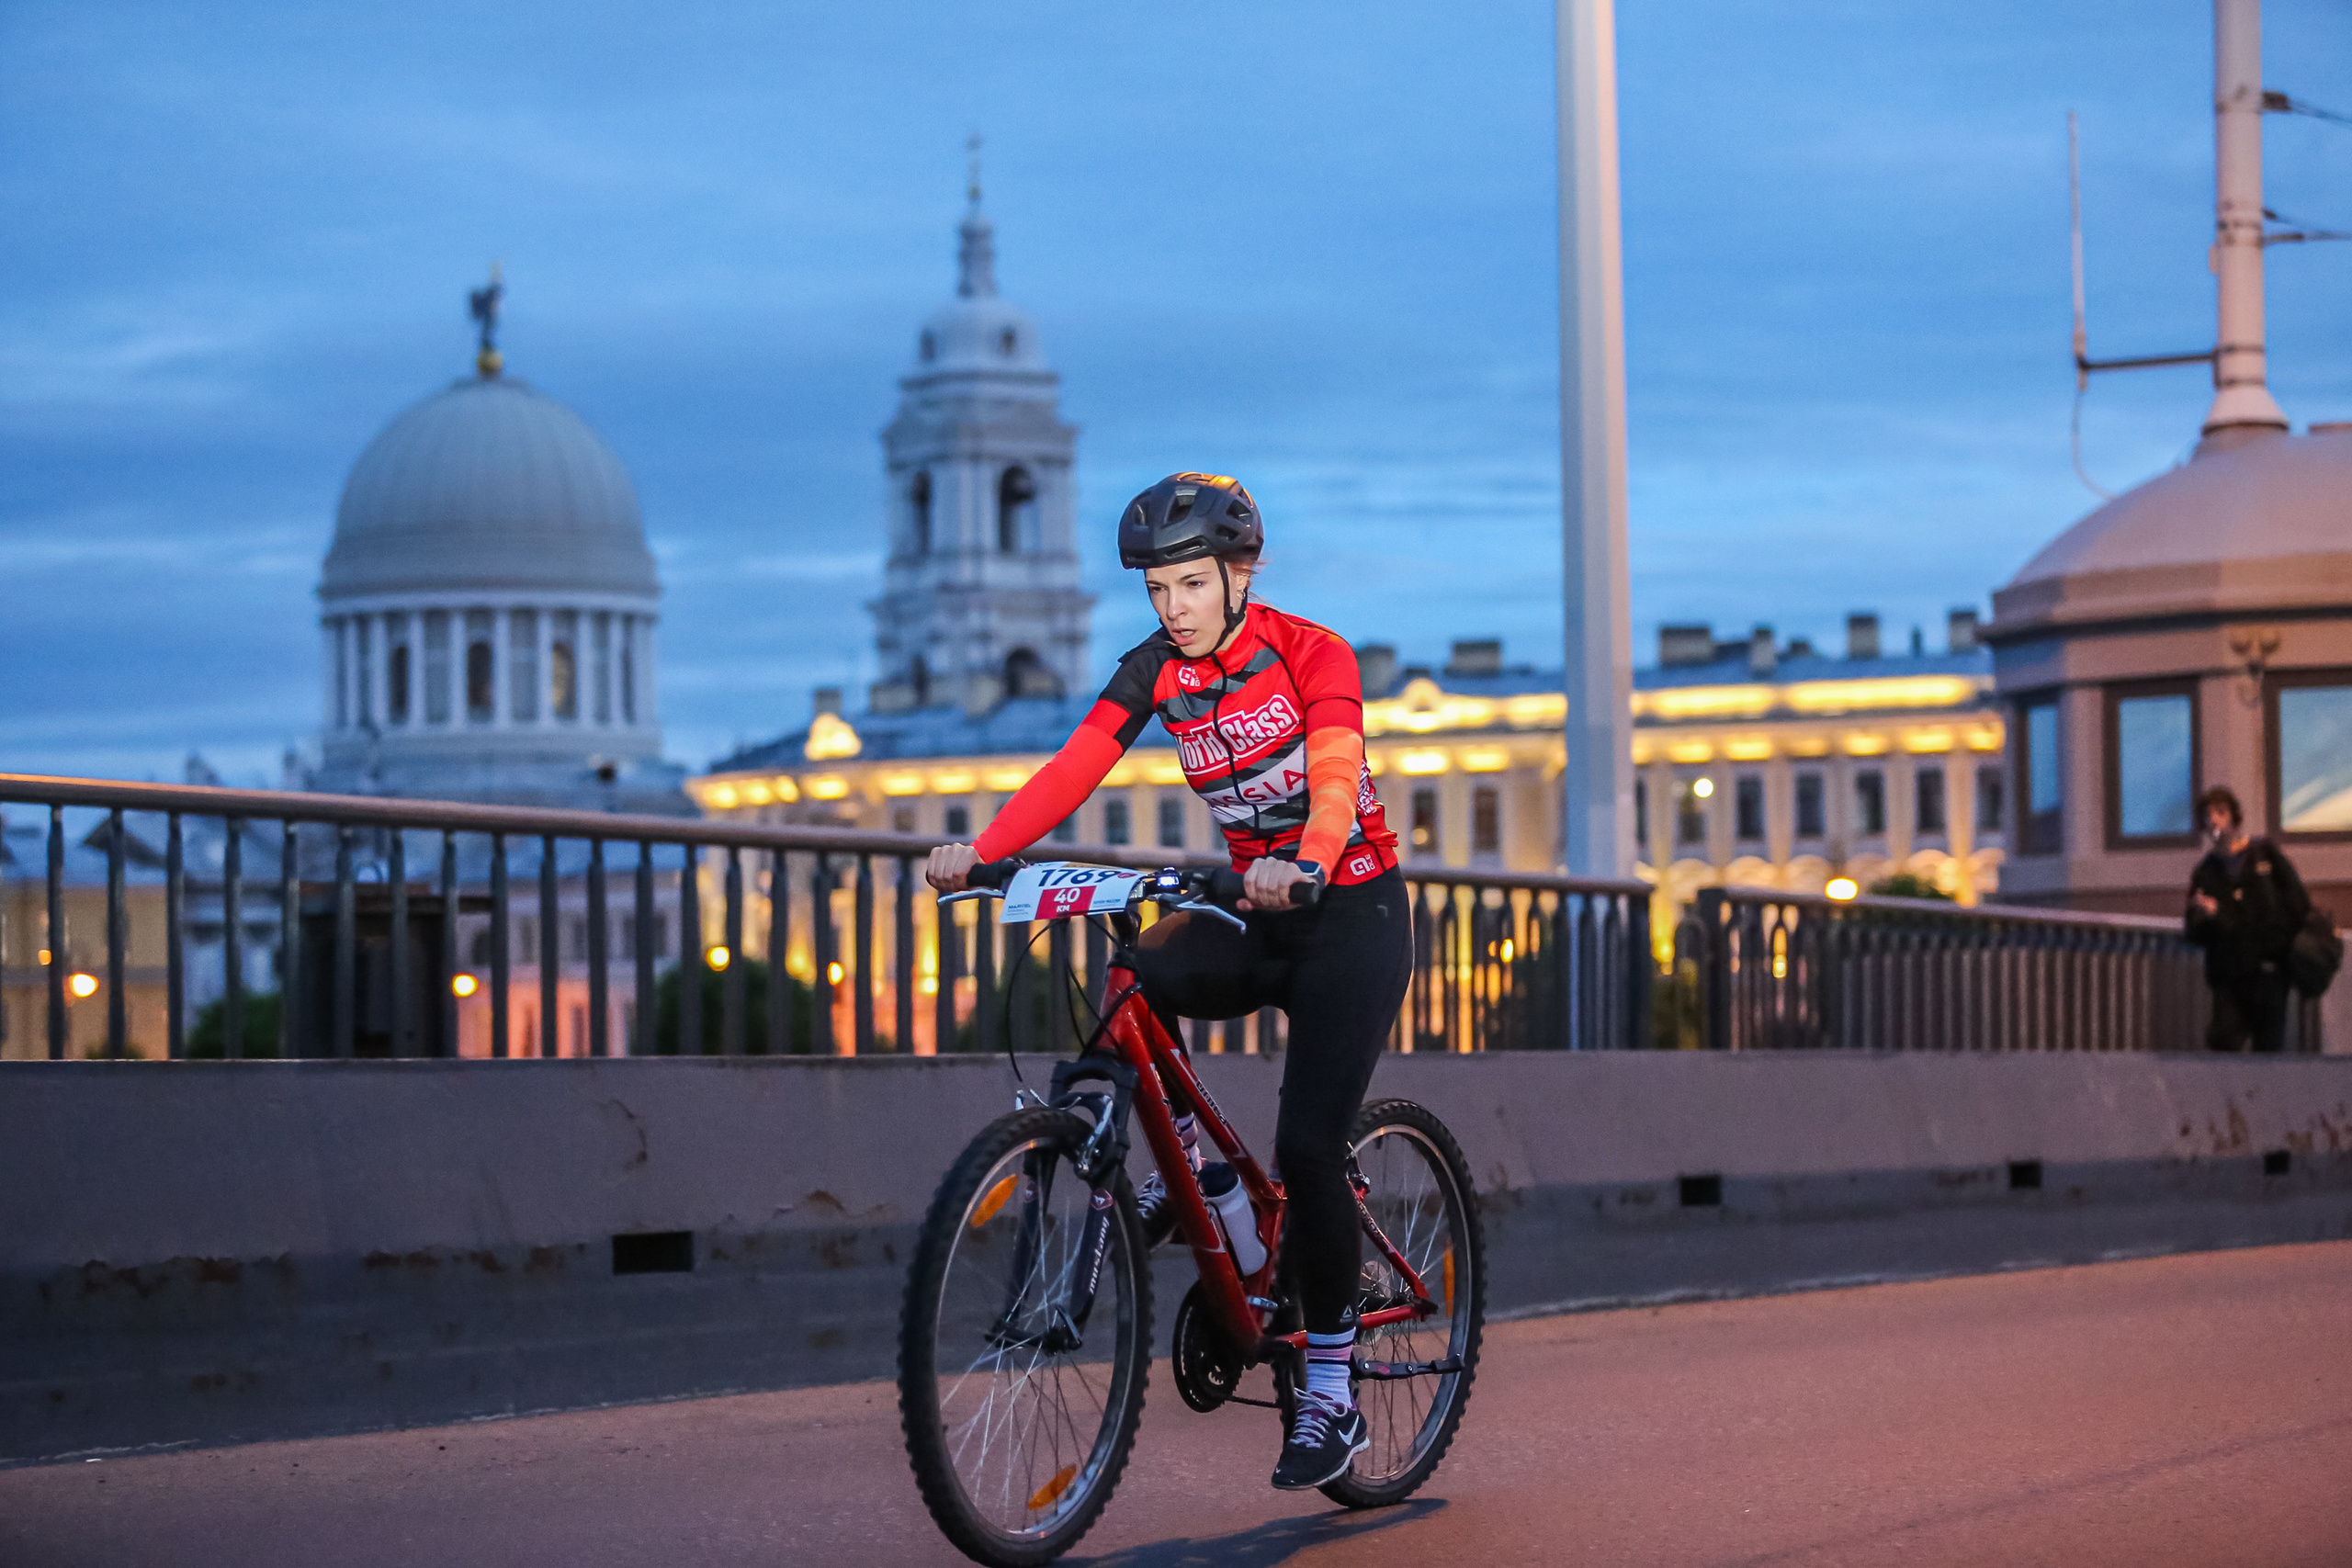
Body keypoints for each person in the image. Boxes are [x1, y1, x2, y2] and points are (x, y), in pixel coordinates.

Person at [925, 471, 1409, 1491]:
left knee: (1310, 1147)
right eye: (1157, 591)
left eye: (1191, 584)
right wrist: (984, 849)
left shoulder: (1311, 653)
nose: (1173, 608)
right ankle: (1203, 1176)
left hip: (1345, 913)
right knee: (1133, 974)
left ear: (1240, 574)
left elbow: (1332, 778)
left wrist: (1311, 860)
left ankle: (1329, 1392)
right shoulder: (1158, 670)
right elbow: (1075, 763)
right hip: (1249, 907)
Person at [2185, 785, 2309, 1053]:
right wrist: (2206, 916)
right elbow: (2193, 933)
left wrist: (2276, 943)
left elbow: (2297, 903)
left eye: (2220, 812)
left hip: (2269, 971)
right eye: (2208, 815)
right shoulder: (2206, 872)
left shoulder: (2263, 854)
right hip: (2229, 976)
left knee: (2268, 1050)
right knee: (2224, 1040)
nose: (2214, 821)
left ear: (2234, 817)